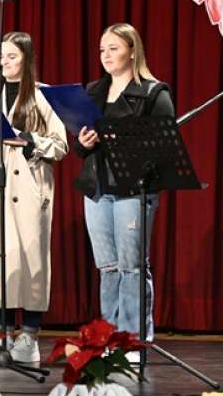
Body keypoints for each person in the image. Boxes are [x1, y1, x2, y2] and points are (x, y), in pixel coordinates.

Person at [0, 32, 68, 362]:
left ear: (26, 59)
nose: (5, 62)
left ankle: (30, 334)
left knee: (30, 257)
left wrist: (28, 139)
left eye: (12, 56)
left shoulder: (41, 96)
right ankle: (3, 332)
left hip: (27, 183)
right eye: (2, 56)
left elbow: (60, 145)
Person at [74, 23, 174, 348]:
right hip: (98, 189)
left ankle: (131, 343)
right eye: (102, 49)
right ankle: (108, 341)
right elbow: (78, 147)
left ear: (132, 50)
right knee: (108, 268)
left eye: (113, 48)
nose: (105, 55)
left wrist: (128, 141)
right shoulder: (93, 92)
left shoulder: (153, 92)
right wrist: (84, 142)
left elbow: (165, 147)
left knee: (131, 268)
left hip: (133, 189)